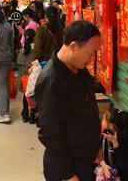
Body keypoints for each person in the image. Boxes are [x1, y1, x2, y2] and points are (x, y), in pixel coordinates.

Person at [35, 20, 102, 181]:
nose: (92, 59)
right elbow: (50, 134)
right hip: (67, 169)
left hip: (83, 160)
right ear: (73, 46)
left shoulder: (79, 70)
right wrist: (68, 175)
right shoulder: (51, 81)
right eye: (91, 53)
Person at [99, 105, 128, 181]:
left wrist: (115, 144)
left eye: (104, 119)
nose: (102, 121)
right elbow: (100, 151)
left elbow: (123, 166)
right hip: (108, 173)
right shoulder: (107, 134)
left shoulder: (125, 138)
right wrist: (103, 165)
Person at [18, 28, 36, 123]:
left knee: (26, 96)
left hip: (24, 77)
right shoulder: (36, 50)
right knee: (33, 95)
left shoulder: (23, 50)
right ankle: (33, 114)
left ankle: (25, 114)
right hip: (34, 77)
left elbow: (19, 64)